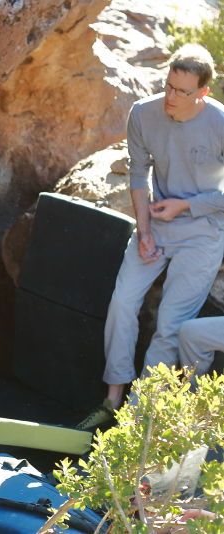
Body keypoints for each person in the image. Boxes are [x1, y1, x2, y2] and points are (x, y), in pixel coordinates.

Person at [77, 44, 224, 431]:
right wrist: (143, 230)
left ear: (204, 93)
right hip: (155, 224)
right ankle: (112, 399)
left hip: (203, 232)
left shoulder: (221, 122)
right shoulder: (143, 112)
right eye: (168, 86)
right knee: (122, 302)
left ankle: (137, 419)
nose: (171, 98)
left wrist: (187, 207)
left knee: (171, 326)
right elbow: (139, 174)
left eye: (182, 92)